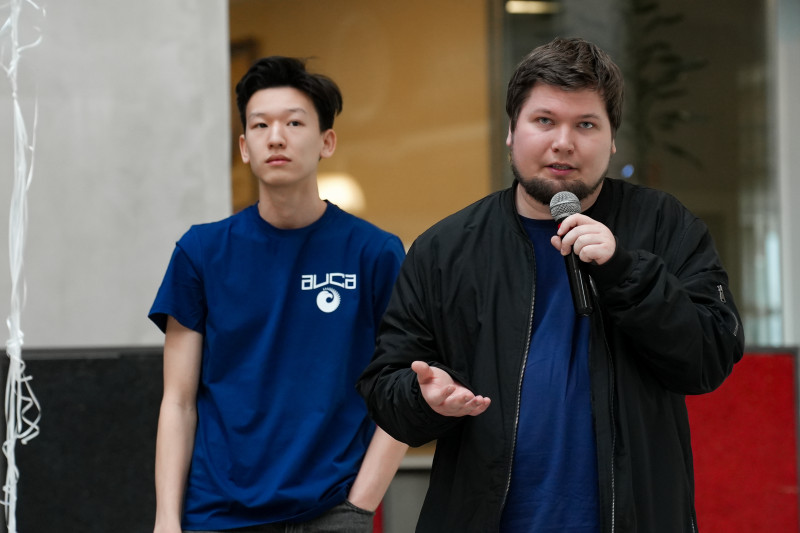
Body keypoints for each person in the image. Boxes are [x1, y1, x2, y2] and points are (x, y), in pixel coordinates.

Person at [357, 37, 744, 532]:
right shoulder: (446, 249)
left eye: (586, 125)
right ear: (511, 131)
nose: (564, 142)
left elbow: (709, 358)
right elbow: (385, 387)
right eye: (544, 121)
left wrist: (625, 271)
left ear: (612, 139)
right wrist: (424, 399)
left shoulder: (665, 226)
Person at [149, 56, 408, 533]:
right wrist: (166, 519)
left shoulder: (374, 253)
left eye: (294, 122)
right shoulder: (200, 252)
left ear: (326, 141)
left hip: (330, 510)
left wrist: (358, 507)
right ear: (244, 147)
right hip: (217, 514)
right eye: (260, 125)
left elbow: (401, 392)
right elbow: (178, 401)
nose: (276, 137)